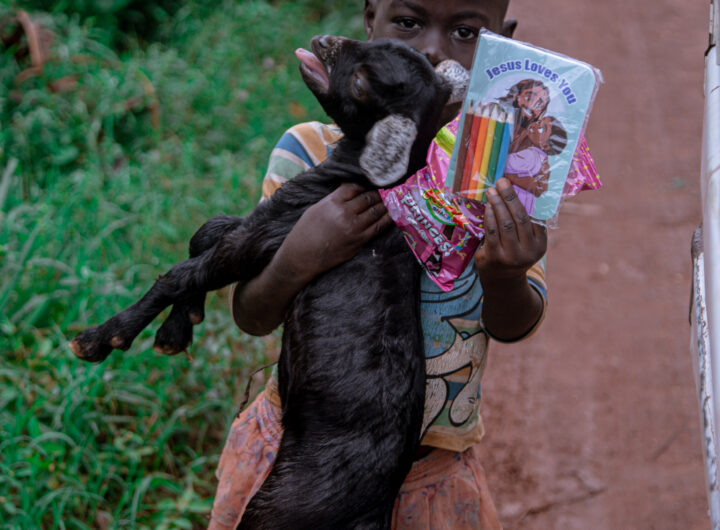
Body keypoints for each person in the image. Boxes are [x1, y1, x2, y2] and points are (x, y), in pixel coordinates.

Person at [210, 1, 549, 528]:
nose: (433, 49)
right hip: (305, 462)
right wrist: (300, 252)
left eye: (464, 31)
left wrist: (504, 273)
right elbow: (252, 314)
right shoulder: (311, 152)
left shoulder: (501, 179)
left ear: (499, 44)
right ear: (371, 22)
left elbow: (513, 325)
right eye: (409, 22)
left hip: (429, 482)